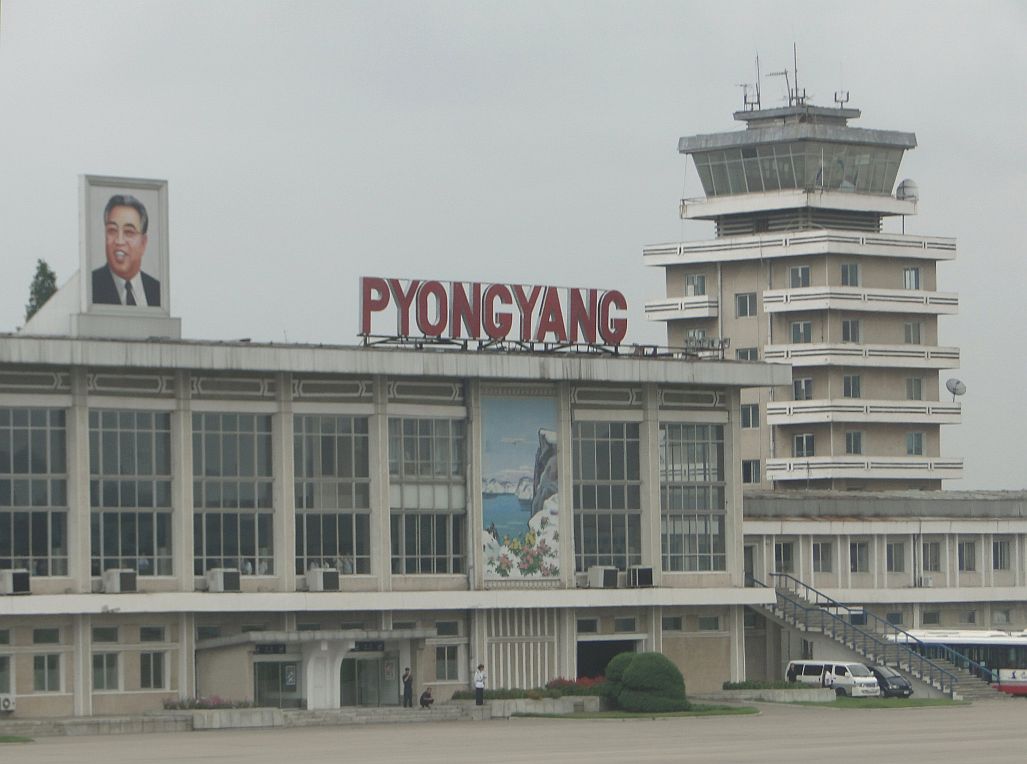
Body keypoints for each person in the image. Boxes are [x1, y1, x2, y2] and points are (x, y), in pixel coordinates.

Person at [92, 194, 161, 307]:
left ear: (143, 243)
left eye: (129, 232)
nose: (119, 241)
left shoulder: (157, 291)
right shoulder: (91, 286)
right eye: (112, 230)